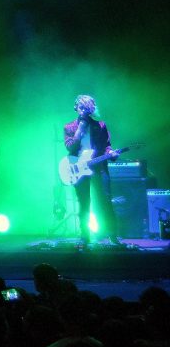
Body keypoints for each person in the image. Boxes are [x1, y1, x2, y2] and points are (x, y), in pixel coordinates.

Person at [63, 94, 118, 246]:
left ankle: (113, 236)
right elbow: (70, 147)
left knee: (106, 201)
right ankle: (85, 237)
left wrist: (111, 153)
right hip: (79, 169)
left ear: (91, 109)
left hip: (99, 167)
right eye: (81, 107)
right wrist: (80, 129)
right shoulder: (69, 127)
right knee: (84, 203)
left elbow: (107, 145)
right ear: (76, 107)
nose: (83, 111)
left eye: (87, 108)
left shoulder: (100, 125)